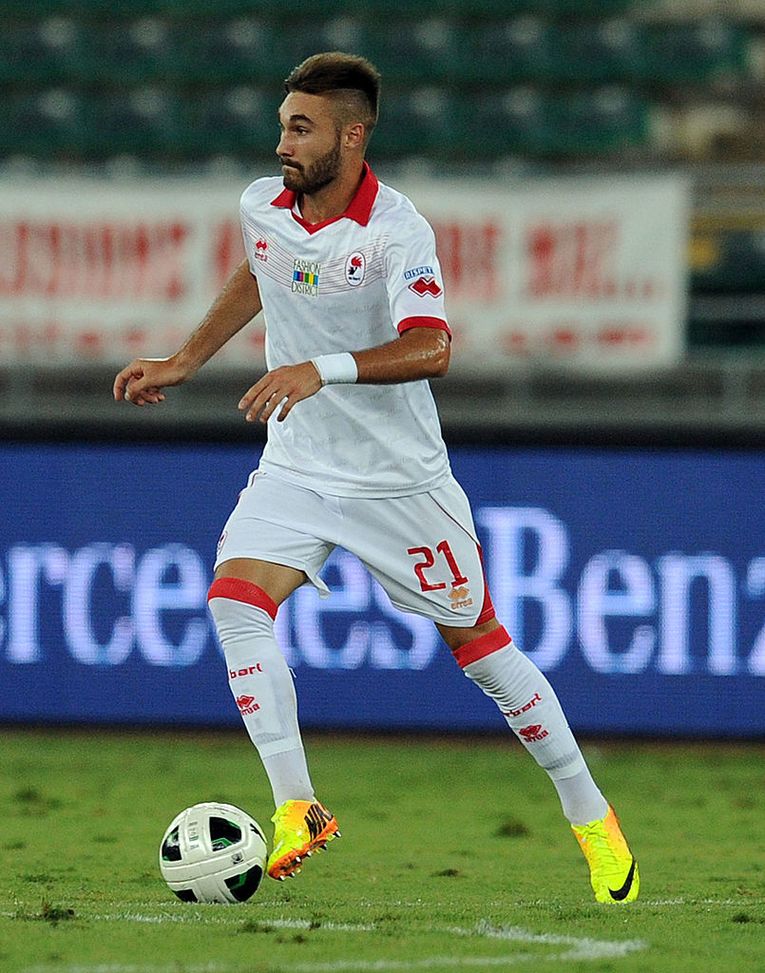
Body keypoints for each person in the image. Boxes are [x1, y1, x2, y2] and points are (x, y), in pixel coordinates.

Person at [113, 51, 638, 903]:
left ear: (352, 137)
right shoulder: (261, 206)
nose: (281, 141)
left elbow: (432, 345)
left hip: (397, 482)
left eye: (300, 127)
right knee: (234, 601)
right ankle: (297, 806)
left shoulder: (396, 230)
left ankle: (591, 817)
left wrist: (321, 366)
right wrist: (184, 358)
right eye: (282, 123)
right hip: (297, 463)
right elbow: (258, 271)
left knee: (482, 650)